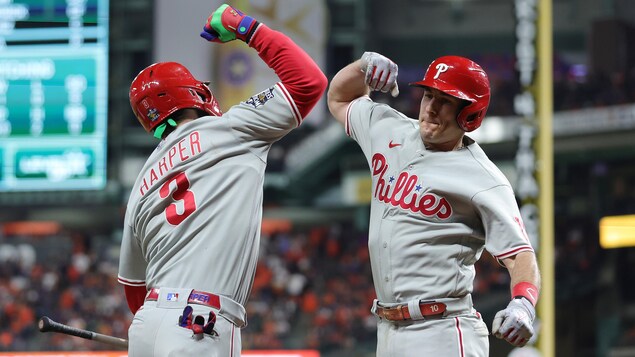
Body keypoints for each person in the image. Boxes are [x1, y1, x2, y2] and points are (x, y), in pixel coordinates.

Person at [117, 4, 327, 356]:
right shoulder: (229, 129)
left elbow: (133, 288)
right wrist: (245, 27)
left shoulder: (141, 182)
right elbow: (309, 82)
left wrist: (160, 329)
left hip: (148, 324)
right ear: (194, 95)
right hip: (199, 320)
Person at [327, 51, 541, 356]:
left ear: (469, 114)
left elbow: (520, 254)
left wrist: (523, 303)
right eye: (428, 95)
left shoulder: (483, 178)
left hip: (442, 331)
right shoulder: (390, 130)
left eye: (445, 100)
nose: (431, 108)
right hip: (387, 330)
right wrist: (363, 68)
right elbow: (339, 99)